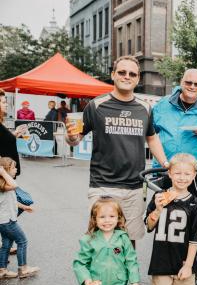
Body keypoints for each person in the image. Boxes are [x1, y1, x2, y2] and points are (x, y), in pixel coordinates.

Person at [66, 55, 169, 246]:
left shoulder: (145, 108)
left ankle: (127, 277)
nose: (126, 76)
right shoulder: (96, 105)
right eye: (122, 72)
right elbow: (75, 139)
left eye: (132, 74)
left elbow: (152, 137)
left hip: (135, 186)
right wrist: (71, 137)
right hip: (103, 185)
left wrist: (166, 164)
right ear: (113, 75)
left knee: (129, 241)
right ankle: (102, 277)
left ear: (138, 79)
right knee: (101, 240)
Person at [145, 153, 197, 285]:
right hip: (161, 261)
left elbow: (195, 239)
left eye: (187, 174)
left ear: (194, 175)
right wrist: (157, 210)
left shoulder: (195, 204)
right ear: (170, 173)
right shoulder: (159, 196)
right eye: (177, 173)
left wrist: (188, 265)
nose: (182, 177)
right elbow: (149, 226)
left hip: (183, 262)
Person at [73, 198, 140, 285]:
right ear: (95, 219)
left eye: (111, 216)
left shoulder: (123, 238)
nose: (107, 220)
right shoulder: (88, 239)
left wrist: (134, 281)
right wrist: (86, 279)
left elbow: (131, 261)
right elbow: (80, 263)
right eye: (102, 217)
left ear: (118, 217)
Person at [152, 68, 197, 163]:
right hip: (163, 168)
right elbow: (150, 133)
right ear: (181, 82)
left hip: (192, 171)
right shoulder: (163, 103)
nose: (192, 87)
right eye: (188, 82)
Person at [0, 157, 39, 279]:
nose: (16, 169)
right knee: (22, 241)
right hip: (8, 221)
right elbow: (15, 185)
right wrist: (2, 172)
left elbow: (11, 201)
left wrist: (24, 207)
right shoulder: (6, 185)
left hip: (4, 221)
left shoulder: (5, 185)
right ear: (6, 170)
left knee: (6, 244)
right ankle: (23, 268)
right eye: (13, 167)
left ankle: (2, 270)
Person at [0, 89, 25, 177]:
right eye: (4, 102)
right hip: (4, 175)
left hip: (7, 173)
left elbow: (2, 140)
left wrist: (14, 134)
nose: (7, 104)